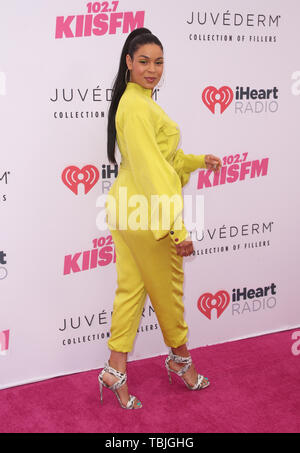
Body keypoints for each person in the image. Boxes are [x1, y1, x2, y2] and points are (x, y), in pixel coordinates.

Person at [98, 28, 222, 409]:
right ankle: (181, 361)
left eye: (159, 62)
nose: (153, 69)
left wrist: (197, 161)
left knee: (131, 291)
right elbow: (154, 172)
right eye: (144, 61)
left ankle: (115, 370)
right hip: (148, 215)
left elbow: (158, 158)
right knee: (168, 292)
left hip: (127, 208)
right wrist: (176, 227)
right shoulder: (137, 106)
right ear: (128, 63)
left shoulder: (137, 102)